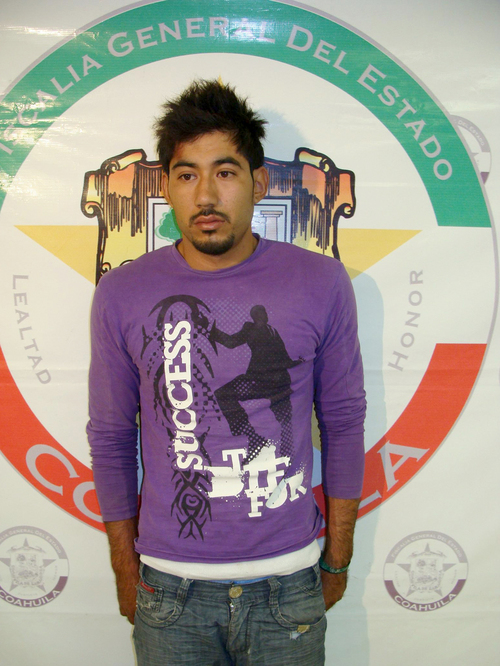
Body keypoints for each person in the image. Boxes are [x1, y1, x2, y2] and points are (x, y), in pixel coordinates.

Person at [87, 79, 366, 666]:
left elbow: (342, 423)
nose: (206, 195)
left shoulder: (320, 282)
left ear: (258, 183)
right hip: (170, 592)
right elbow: (111, 437)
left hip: (288, 584)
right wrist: (125, 569)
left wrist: (337, 558)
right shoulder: (122, 292)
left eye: (226, 171)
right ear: (167, 186)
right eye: (187, 175)